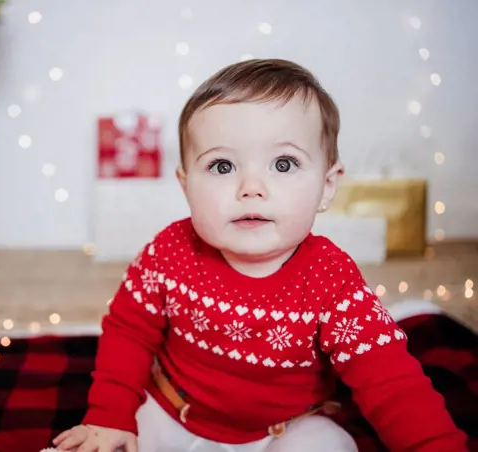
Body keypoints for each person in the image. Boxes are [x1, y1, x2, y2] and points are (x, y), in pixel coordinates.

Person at [51, 59, 468, 452]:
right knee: (104, 440)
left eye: (283, 164)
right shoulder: (170, 252)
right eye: (221, 166)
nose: (251, 187)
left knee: (327, 444)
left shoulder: (331, 278)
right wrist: (110, 415)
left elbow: (390, 383)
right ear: (186, 185)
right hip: (172, 413)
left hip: (282, 431)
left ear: (326, 185)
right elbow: (129, 330)